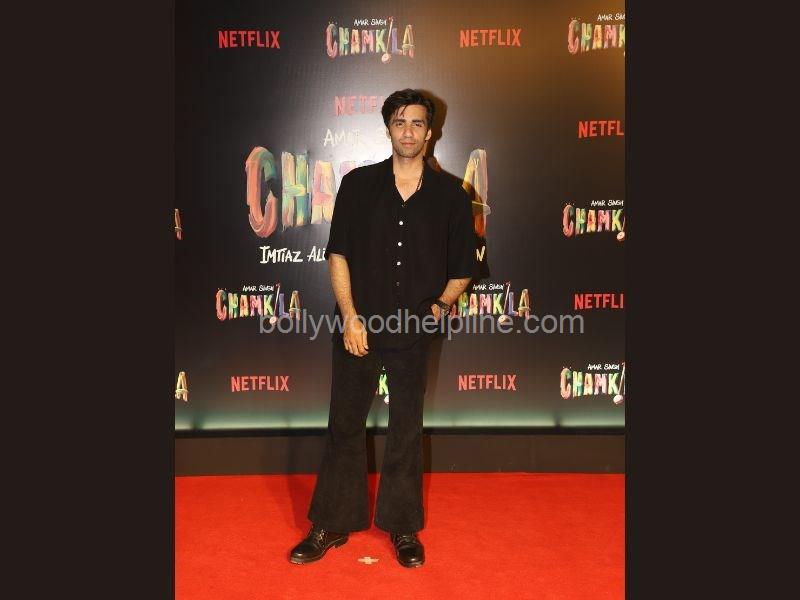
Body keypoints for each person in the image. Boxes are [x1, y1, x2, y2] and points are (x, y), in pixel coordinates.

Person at [289, 89, 478, 568]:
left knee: (406, 431)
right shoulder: (358, 185)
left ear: (430, 132)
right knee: (344, 425)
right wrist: (350, 316)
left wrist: (440, 306)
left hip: (414, 332)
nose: (408, 131)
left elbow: (464, 267)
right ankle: (331, 523)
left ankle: (402, 527)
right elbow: (338, 255)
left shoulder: (451, 196)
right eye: (400, 122)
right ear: (388, 128)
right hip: (359, 327)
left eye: (417, 123)